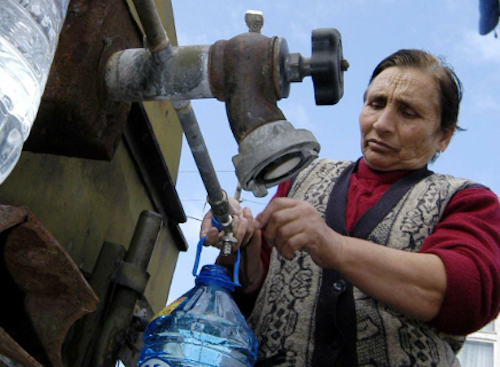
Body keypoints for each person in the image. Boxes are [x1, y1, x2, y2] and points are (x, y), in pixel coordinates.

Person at [201, 49, 500, 367]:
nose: (382, 124)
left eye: (408, 113)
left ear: (444, 135)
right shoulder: (303, 178)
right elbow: (251, 288)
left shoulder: (466, 200)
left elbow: (466, 297)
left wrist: (336, 247)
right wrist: (242, 240)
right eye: (376, 103)